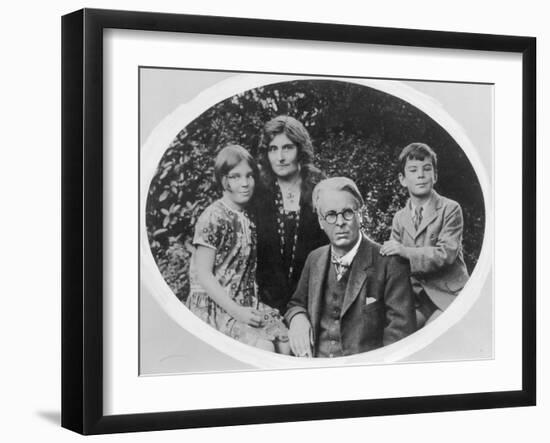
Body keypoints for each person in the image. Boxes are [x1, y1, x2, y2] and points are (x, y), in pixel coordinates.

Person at [285, 177, 416, 358]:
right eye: (330, 215)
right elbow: (296, 304)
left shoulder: (390, 263)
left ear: (359, 215)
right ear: (321, 222)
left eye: (347, 212)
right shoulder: (314, 259)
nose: (340, 222)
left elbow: (400, 334)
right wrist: (297, 318)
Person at [185, 145, 290, 354]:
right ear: (224, 180)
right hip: (217, 306)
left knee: (285, 339)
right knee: (264, 347)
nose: (245, 183)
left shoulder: (249, 217)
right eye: (235, 177)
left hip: (246, 302)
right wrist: (236, 311)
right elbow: (203, 275)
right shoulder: (213, 217)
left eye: (249, 176)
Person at [380, 142, 470, 328]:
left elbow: (445, 254)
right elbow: (394, 264)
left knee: (430, 334)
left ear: (434, 176)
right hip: (417, 298)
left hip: (448, 295)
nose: (420, 175)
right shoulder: (399, 218)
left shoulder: (450, 209)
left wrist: (404, 251)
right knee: (395, 331)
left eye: (426, 169)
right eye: (413, 170)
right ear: (402, 179)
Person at [254, 115, 328, 316]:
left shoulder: (319, 190)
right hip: (267, 302)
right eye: (273, 149)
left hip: (314, 299)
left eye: (287, 147)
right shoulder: (259, 194)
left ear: (300, 150)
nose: (280, 157)